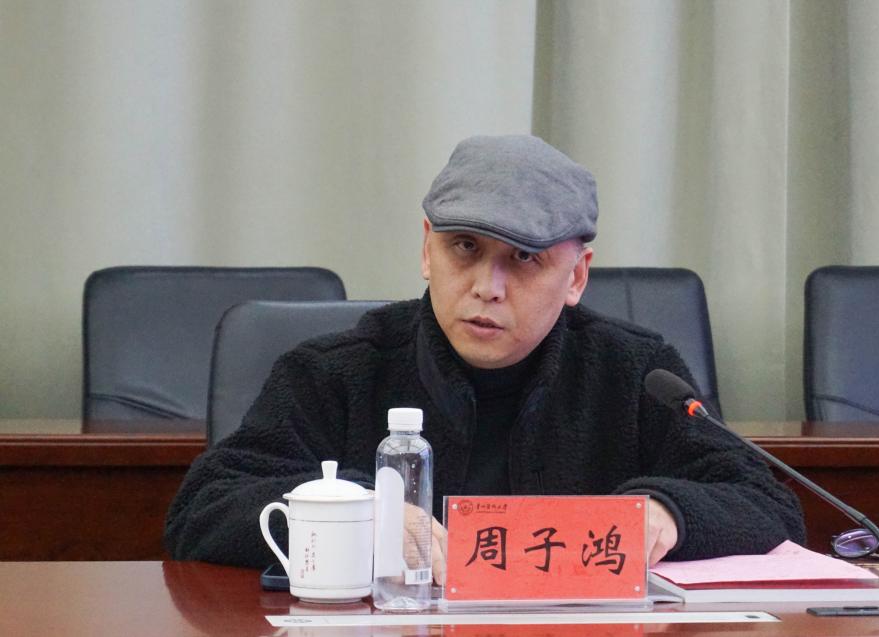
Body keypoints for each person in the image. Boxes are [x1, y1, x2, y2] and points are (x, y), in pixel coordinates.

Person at [165, 135, 805, 578]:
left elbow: (767, 503)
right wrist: (359, 514)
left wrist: (668, 513)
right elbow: (202, 509)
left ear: (577, 277)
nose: (486, 287)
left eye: (524, 258)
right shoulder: (334, 371)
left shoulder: (637, 374)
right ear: (427, 251)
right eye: (465, 248)